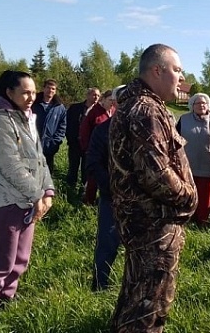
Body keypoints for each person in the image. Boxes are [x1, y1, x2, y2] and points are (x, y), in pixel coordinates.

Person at [108, 44, 197, 332]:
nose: (181, 78)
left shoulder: (137, 105)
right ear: (157, 70)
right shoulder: (146, 111)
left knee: (136, 298)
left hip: (144, 222)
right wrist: (188, 197)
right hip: (153, 225)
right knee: (149, 307)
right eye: (177, 70)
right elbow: (155, 174)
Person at [0, 70, 55, 310]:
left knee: (21, 260)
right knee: (2, 260)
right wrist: (37, 194)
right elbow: (11, 166)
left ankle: (6, 299)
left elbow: (39, 158)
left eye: (33, 92)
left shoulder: (26, 117)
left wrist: (48, 190)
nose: (31, 97)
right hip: (8, 201)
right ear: (10, 93)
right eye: (25, 92)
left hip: (29, 201)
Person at [86, 85, 125, 291]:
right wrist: (110, 185)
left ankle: (133, 289)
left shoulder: (147, 131)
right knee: (107, 244)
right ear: (114, 103)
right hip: (112, 198)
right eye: (122, 100)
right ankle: (100, 286)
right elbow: (92, 161)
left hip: (141, 202)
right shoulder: (103, 129)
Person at [176, 92, 210, 224]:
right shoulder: (183, 119)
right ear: (192, 106)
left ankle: (203, 222)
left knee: (206, 198)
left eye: (204, 103)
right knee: (188, 195)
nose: (201, 105)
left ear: (208, 105)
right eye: (198, 103)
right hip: (188, 166)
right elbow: (175, 140)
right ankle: (188, 220)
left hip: (209, 166)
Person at [81, 90, 117, 204]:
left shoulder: (113, 112)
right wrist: (87, 148)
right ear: (103, 99)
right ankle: (88, 201)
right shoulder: (95, 112)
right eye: (109, 100)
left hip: (108, 152)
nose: (111, 103)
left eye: (113, 101)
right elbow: (85, 130)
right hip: (95, 150)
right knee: (93, 178)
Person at [65, 87, 100, 190]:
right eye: (94, 95)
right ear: (88, 95)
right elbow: (68, 124)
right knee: (73, 167)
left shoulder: (99, 111)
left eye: (98, 95)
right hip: (75, 143)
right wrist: (70, 139)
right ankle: (69, 189)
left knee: (86, 170)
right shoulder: (75, 108)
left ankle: (83, 190)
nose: (96, 98)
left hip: (89, 146)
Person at [31, 79, 67, 176]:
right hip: (32, 144)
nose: (50, 91)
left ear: (55, 91)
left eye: (53, 89)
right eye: (48, 88)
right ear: (43, 88)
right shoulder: (33, 103)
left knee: (47, 172)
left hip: (49, 146)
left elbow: (62, 127)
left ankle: (46, 190)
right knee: (32, 172)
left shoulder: (59, 107)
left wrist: (55, 142)